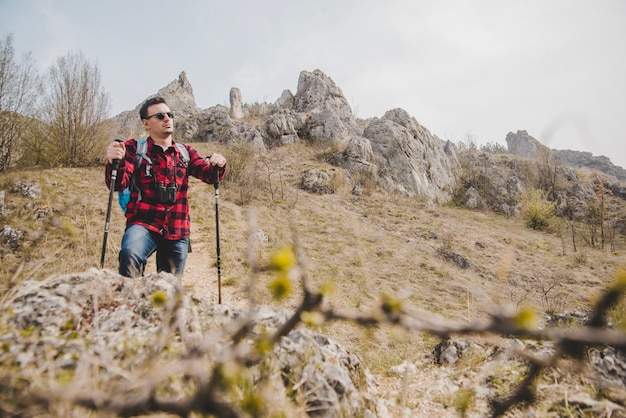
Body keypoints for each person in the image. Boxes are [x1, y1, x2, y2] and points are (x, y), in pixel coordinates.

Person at [105, 96, 226, 277]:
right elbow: (118, 183)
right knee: (130, 255)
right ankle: (131, 301)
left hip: (177, 230)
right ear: (146, 124)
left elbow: (209, 175)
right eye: (160, 116)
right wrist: (115, 160)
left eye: (169, 114)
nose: (167, 118)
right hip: (143, 224)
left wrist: (219, 164)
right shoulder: (133, 149)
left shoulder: (186, 152)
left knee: (169, 293)